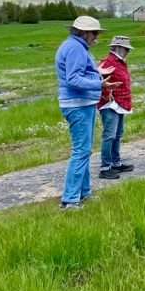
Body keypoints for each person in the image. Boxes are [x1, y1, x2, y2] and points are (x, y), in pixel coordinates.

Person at [55, 15, 117, 210]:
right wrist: (99, 82)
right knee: (81, 151)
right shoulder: (75, 49)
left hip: (82, 103)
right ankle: (70, 200)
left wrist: (96, 74)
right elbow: (73, 79)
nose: (97, 37)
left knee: (85, 150)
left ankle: (84, 193)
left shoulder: (74, 47)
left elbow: (79, 74)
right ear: (85, 32)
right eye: (95, 33)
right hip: (78, 104)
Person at [97, 35, 135, 179]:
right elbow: (99, 79)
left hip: (120, 103)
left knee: (117, 135)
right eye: (126, 49)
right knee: (109, 135)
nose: (127, 51)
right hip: (110, 104)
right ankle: (105, 167)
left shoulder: (120, 62)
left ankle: (116, 163)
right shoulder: (108, 63)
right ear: (118, 48)